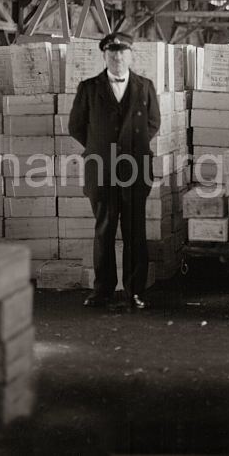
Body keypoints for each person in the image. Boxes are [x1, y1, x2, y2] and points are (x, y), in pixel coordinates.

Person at [68, 32, 161, 310]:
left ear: (131, 55)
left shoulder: (145, 86)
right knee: (104, 231)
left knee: (134, 232)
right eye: (112, 54)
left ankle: (135, 292)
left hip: (136, 169)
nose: (117, 58)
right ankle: (103, 291)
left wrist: (131, 148)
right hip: (102, 170)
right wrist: (100, 148)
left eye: (122, 53)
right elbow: (76, 126)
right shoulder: (88, 87)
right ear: (105, 56)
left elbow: (153, 123)